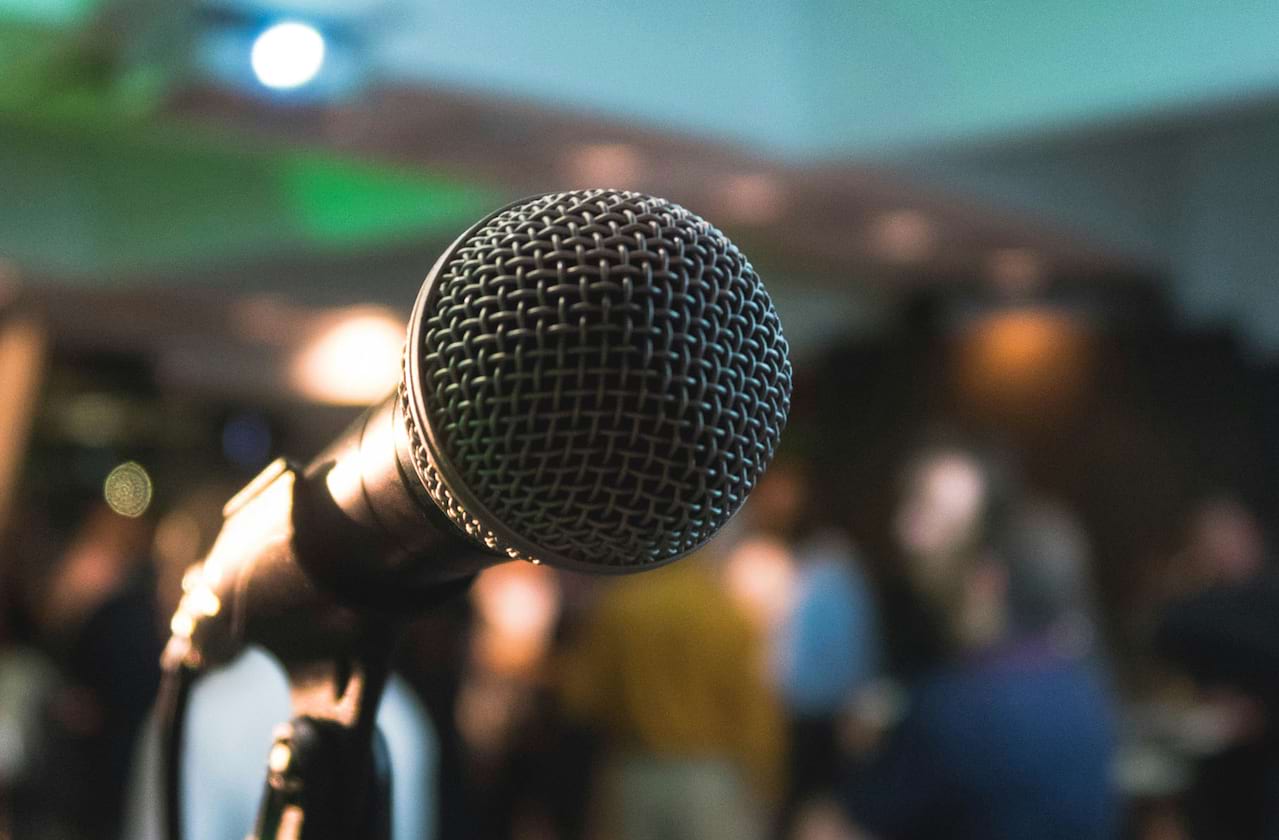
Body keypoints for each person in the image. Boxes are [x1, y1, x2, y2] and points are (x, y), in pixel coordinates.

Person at [835, 441, 1117, 840]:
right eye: (910, 503)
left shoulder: (958, 704)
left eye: (935, 512)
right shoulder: (1081, 683)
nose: (910, 533)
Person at [558, 534, 785, 840]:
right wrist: (767, 781)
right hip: (711, 779)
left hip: (635, 772)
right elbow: (753, 712)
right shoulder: (727, 614)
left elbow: (583, 699)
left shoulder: (621, 606)